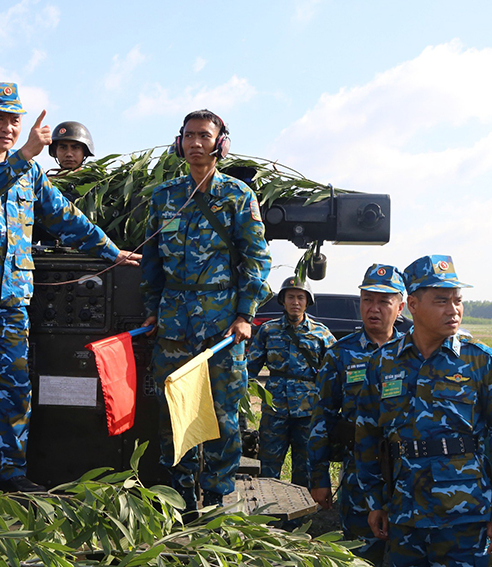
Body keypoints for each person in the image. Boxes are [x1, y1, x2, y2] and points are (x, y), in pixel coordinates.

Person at [0, 82, 140, 502]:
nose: (7, 127)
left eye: (14, 119)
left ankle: (10, 471)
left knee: (17, 388)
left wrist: (109, 250)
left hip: (10, 300)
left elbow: (65, 217)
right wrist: (25, 154)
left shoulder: (32, 174)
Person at [140, 109, 272, 513]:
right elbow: (151, 260)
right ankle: (180, 495)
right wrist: (152, 310)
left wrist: (245, 315)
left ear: (220, 143)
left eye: (204, 135)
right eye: (190, 136)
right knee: (175, 411)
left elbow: (256, 260)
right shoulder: (164, 196)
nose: (197, 143)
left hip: (222, 327)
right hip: (175, 324)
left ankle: (215, 496)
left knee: (222, 414)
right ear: (179, 142)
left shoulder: (237, 197)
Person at [355, 255, 492, 566]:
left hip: (465, 516)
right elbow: (367, 434)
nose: (454, 310)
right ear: (414, 305)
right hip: (404, 514)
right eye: (442, 300)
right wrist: (374, 500)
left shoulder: (480, 361)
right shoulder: (384, 362)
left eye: (458, 300)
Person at [308, 264, 406, 566]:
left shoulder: (415, 351)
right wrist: (319, 476)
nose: (373, 309)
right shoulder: (341, 353)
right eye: (367, 300)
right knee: (360, 553)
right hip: (360, 473)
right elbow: (322, 416)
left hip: (410, 473)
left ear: (400, 307)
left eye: (383, 301)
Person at [247, 276, 336, 488]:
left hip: (308, 410)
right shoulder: (268, 331)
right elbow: (250, 368)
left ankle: (300, 517)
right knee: (268, 463)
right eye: (290, 297)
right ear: (283, 301)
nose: (295, 302)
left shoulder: (321, 333)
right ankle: (269, 515)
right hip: (275, 408)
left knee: (304, 465)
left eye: (300, 298)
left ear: (307, 302)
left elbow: (334, 372)